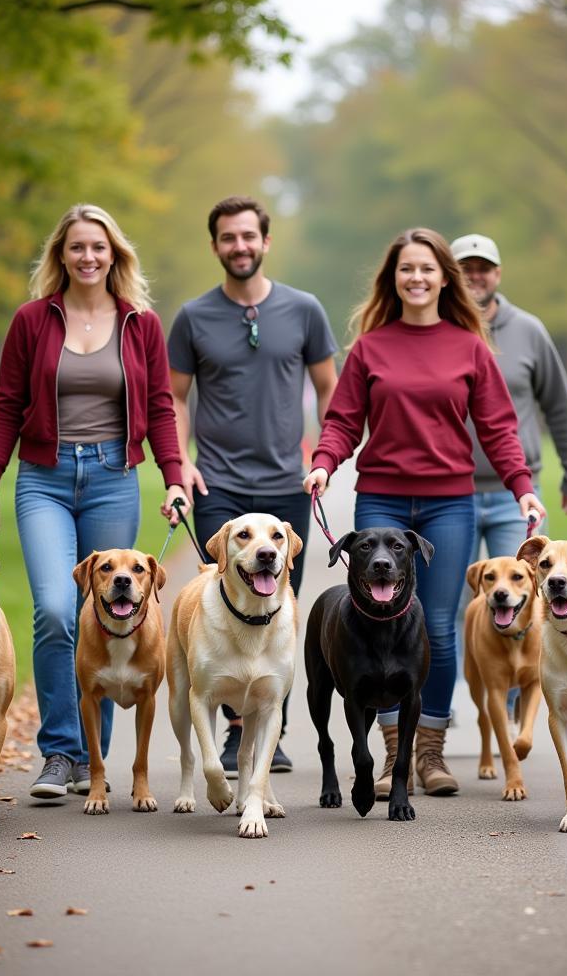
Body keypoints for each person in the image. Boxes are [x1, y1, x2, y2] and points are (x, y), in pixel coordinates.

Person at [303, 227, 545, 796]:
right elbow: (342, 420)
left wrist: (522, 485)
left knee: (434, 623)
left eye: (426, 268)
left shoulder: (468, 347)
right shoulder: (370, 347)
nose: (416, 277)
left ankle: (429, 752)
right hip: (382, 497)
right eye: (406, 268)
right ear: (394, 278)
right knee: (375, 617)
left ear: (444, 278)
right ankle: (392, 756)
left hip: (447, 502)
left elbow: (498, 427)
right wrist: (324, 461)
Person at [0, 204, 186, 799]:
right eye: (76, 247)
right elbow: (7, 403)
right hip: (43, 474)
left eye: (99, 247)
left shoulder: (139, 323)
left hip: (113, 477)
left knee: (115, 607)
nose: (88, 257)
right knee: (57, 610)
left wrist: (173, 475)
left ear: (115, 254)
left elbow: (163, 407)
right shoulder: (32, 320)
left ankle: (95, 755)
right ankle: (61, 753)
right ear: (60, 255)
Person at [167, 195, 338, 775]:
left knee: (277, 601)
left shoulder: (305, 309)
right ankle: (233, 728)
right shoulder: (193, 317)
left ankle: (269, 726)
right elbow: (175, 397)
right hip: (218, 485)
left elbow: (330, 389)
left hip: (289, 486)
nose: (239, 246)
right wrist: (182, 462)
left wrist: (323, 453)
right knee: (227, 600)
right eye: (228, 237)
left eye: (248, 236)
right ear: (215, 246)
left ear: (265, 242)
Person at [452, 232, 567, 718]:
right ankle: (437, 719)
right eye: (464, 267)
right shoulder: (440, 330)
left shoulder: (529, 331)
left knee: (526, 600)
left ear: (497, 273)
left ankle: (512, 709)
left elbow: (560, 407)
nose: (474, 276)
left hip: (516, 494)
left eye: (483, 267)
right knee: (450, 609)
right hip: (452, 494)